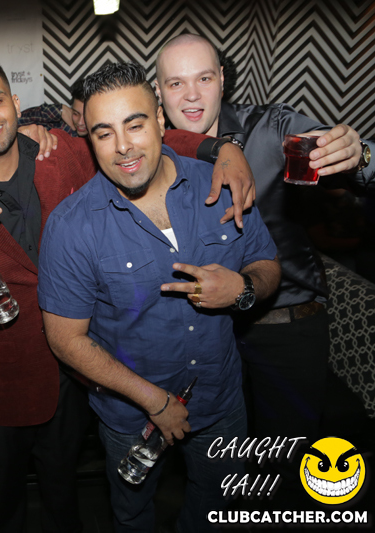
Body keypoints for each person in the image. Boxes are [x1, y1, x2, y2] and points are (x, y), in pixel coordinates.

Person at [0, 57, 255, 533]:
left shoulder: (63, 153)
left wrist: (222, 148)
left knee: (66, 496)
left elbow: (141, 142)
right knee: (5, 503)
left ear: (15, 103)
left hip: (76, 377)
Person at [37, 61, 281, 533]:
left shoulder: (219, 185)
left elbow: (267, 263)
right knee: (132, 516)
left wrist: (244, 288)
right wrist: (154, 401)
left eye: (135, 124)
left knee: (218, 512)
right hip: (131, 417)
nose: (123, 146)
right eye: (104, 133)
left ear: (161, 120)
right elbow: (65, 340)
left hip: (221, 401)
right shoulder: (71, 226)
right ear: (89, 139)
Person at [154, 33, 375, 504]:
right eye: (176, 83)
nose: (191, 95)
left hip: (285, 325)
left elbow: (345, 158)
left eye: (204, 79)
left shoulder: (272, 129)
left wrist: (361, 155)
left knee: (287, 468)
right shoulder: (158, 149)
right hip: (207, 332)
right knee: (217, 462)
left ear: (222, 80)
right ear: (159, 91)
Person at [19, 78, 87, 138]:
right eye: (76, 114)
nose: (80, 122)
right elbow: (18, 121)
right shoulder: (63, 130)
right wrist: (61, 110)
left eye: (86, 116)